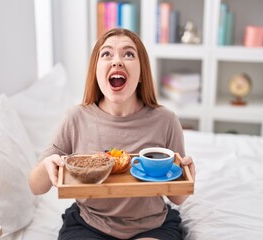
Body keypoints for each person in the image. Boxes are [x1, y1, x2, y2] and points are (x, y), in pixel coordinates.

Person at [28, 28, 196, 240]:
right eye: (107, 54)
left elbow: (177, 197)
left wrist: (188, 177)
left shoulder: (166, 120)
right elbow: (35, 186)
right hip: (88, 225)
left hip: (152, 226)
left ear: (142, 71)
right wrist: (47, 166)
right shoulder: (76, 117)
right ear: (96, 72)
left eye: (128, 54)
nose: (117, 61)